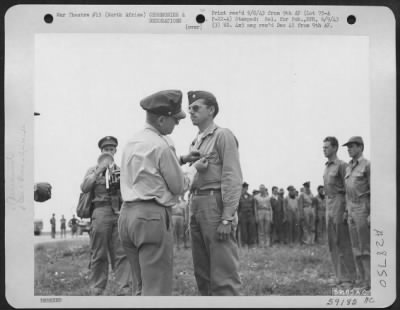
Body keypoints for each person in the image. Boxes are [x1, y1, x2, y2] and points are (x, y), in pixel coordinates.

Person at [118, 90, 204, 296]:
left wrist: (181, 159)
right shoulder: (163, 145)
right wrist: (194, 169)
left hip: (127, 215)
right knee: (156, 289)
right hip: (152, 217)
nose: (177, 124)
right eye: (175, 120)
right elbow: (178, 186)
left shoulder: (133, 141)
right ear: (162, 119)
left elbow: (148, 168)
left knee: (140, 287)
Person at [187, 90, 242, 296]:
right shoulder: (195, 142)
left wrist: (227, 217)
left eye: (196, 108)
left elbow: (232, 177)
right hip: (196, 203)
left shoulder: (222, 136)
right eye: (190, 109)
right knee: (202, 272)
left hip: (214, 204)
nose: (191, 112)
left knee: (223, 272)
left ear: (211, 110)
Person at [81, 135, 132, 296]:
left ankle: (123, 287)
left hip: (118, 212)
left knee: (121, 252)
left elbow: (129, 190)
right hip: (100, 211)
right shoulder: (93, 170)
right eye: (106, 149)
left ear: (115, 150)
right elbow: (85, 187)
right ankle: (97, 287)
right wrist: (99, 171)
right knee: (99, 251)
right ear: (101, 151)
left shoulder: (120, 169)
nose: (109, 152)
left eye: (111, 149)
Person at [323, 136, 357, 289]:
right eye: (323, 148)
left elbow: (348, 189)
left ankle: (349, 277)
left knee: (342, 241)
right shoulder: (326, 167)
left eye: (327, 147)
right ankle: (338, 276)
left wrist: (346, 209)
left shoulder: (342, 165)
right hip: (328, 205)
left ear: (335, 148)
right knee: (332, 242)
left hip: (339, 203)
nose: (324, 150)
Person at [343, 136, 371, 290]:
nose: (349, 149)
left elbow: (373, 190)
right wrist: (347, 210)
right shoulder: (349, 167)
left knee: (365, 246)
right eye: (348, 147)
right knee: (355, 247)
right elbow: (348, 192)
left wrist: (371, 212)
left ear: (360, 147)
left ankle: (370, 281)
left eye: (352, 146)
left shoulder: (367, 165)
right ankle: (362, 280)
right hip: (351, 208)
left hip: (362, 207)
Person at [237, 182, 257, 249]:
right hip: (242, 215)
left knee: (251, 230)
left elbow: (254, 207)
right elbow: (238, 208)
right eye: (244, 188)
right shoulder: (239, 197)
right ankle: (244, 244)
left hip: (250, 215)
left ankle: (251, 244)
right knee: (244, 230)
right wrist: (238, 217)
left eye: (246, 188)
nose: (245, 189)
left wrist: (254, 216)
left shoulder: (251, 196)